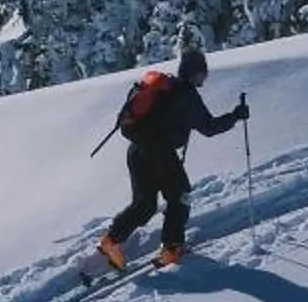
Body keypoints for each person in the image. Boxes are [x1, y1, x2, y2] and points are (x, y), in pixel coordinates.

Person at [97, 42, 248, 269]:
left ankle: (111, 241)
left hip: (137, 151)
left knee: (144, 205)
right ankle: (172, 248)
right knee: (180, 197)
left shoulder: (166, 88)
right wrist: (236, 116)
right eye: (203, 73)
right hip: (160, 155)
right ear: (195, 73)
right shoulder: (187, 95)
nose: (204, 79)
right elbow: (209, 127)